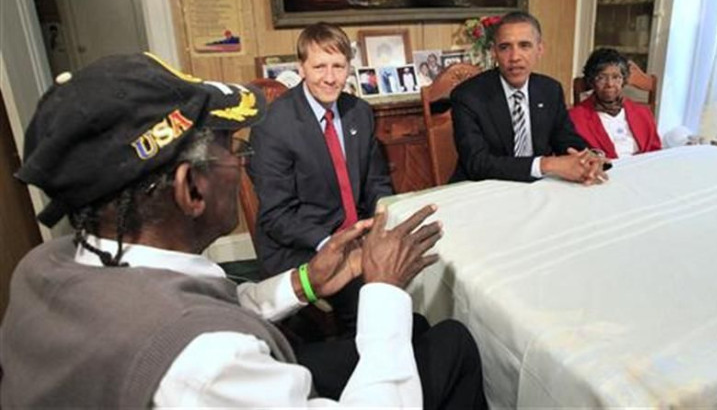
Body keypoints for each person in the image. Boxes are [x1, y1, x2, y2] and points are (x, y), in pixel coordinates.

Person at [0, 53, 487, 409]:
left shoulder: (49, 262)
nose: (240, 164)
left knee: (420, 329)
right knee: (453, 342)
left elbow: (201, 304)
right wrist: (382, 288)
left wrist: (306, 281)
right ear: (191, 188)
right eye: (230, 149)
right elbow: (200, 343)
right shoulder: (205, 361)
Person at [249, 23, 394, 332]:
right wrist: (332, 244)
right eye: (319, 66)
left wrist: (382, 223)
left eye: (338, 66)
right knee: (371, 301)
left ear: (348, 68)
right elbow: (277, 216)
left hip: (356, 234)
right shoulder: (273, 126)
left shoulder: (359, 112)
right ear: (301, 68)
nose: (330, 77)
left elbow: (377, 182)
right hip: (303, 246)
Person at [451, 10, 607, 184]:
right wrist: (546, 164)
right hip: (484, 188)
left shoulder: (550, 89)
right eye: (505, 47)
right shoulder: (467, 96)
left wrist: (588, 158)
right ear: (494, 52)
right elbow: (477, 163)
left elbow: (566, 139)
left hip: (539, 187)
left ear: (539, 50)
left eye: (524, 45)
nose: (515, 57)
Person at [569, 48, 662, 158]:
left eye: (616, 77)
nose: (610, 84)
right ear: (591, 81)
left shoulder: (643, 113)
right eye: (601, 78)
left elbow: (656, 152)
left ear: (624, 80)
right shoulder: (574, 118)